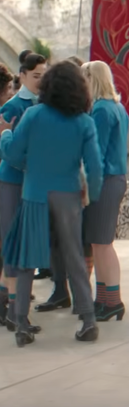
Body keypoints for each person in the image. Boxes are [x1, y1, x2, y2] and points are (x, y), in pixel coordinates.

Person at [0, 60, 104, 347]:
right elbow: (96, 167)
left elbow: (13, 155)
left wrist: (5, 133)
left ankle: (21, 322)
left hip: (34, 195)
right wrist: (90, 196)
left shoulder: (33, 115)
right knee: (74, 259)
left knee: (26, 260)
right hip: (69, 196)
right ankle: (87, 320)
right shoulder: (85, 122)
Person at [0, 51, 49, 325]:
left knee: (26, 247)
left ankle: (16, 309)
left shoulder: (44, 107)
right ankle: (12, 310)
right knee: (11, 246)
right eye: (36, 76)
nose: (40, 82)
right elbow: (8, 152)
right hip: (10, 182)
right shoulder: (11, 108)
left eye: (44, 76)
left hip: (33, 185)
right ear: (22, 76)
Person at [80, 61, 129, 321]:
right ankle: (105, 299)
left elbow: (94, 152)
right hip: (116, 177)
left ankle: (112, 301)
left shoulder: (100, 109)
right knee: (101, 244)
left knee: (102, 243)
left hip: (104, 179)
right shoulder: (118, 107)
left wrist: (85, 185)